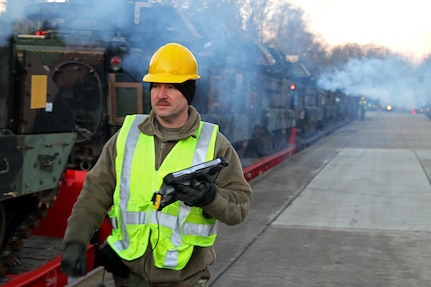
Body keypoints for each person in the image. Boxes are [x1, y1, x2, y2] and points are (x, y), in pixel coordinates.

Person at [60, 42, 252, 287]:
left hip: (184, 279)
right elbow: (95, 192)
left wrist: (209, 197)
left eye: (171, 87)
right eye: (156, 86)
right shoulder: (127, 136)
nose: (161, 94)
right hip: (128, 276)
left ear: (188, 92)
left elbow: (240, 207)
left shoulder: (214, 144)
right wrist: (76, 241)